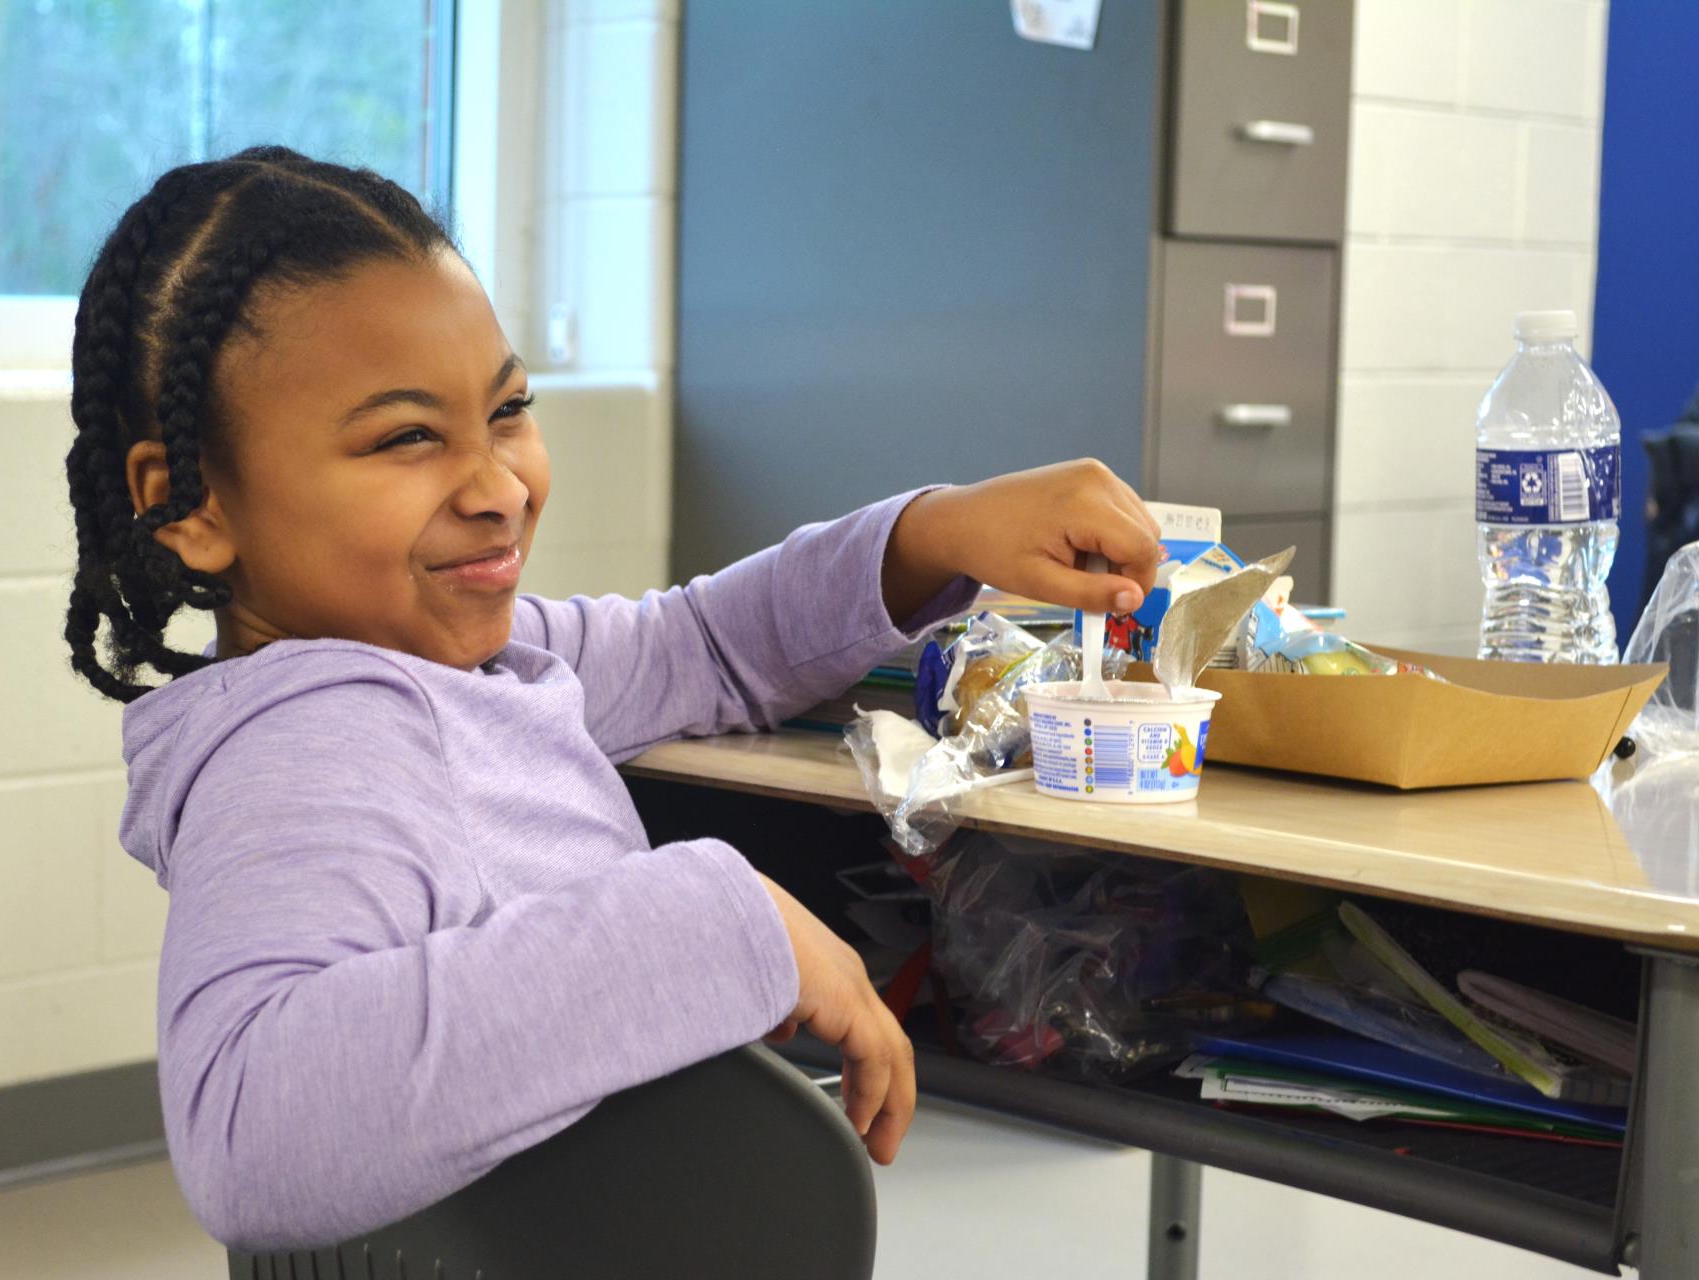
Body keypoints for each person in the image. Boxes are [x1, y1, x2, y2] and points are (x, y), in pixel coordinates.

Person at [68, 146, 1160, 1251]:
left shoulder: (457, 667)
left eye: (507, 410)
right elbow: (252, 1129)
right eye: (406, 438)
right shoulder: (313, 743)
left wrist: (933, 532)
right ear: (189, 505)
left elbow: (699, 643)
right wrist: (718, 918)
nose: (498, 488)